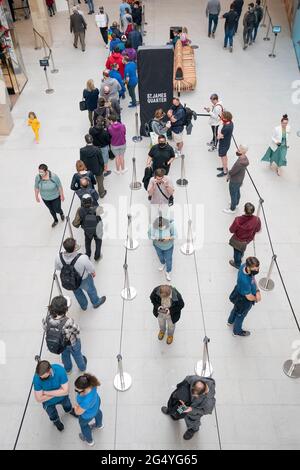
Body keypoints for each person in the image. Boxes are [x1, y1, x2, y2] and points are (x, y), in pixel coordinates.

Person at [55, 237, 106, 310]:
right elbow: (91, 268)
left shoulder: (58, 257)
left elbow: (58, 268)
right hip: (84, 279)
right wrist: (93, 273)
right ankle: (96, 302)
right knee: (91, 290)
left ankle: (83, 306)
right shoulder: (83, 258)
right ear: (74, 247)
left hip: (71, 280)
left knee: (77, 293)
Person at [161, 376, 216, 440]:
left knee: (192, 421)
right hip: (185, 403)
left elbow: (206, 412)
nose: (193, 395)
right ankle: (174, 415)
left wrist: (191, 409)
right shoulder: (194, 379)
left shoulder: (209, 402)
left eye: (195, 395)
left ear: (203, 393)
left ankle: (192, 429)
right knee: (176, 409)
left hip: (193, 412)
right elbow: (187, 379)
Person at [43, 296, 87, 374]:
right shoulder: (68, 321)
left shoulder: (46, 318)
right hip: (72, 343)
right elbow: (77, 330)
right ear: (65, 309)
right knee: (77, 355)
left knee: (65, 355)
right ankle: (82, 367)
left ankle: (67, 368)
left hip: (60, 345)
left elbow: (45, 328)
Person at [33, 360, 76, 431]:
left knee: (67, 405)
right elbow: (39, 399)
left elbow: (66, 392)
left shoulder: (60, 370)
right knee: (52, 414)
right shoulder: (37, 378)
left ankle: (69, 410)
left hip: (62, 398)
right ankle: (56, 421)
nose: (41, 379)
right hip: (48, 403)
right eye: (40, 377)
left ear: (49, 371)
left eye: (43, 377)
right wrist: (59, 391)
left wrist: (46, 392)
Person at [228, 256, 261, 336]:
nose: (257, 270)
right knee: (240, 315)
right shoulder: (245, 281)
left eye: (258, 268)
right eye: (256, 269)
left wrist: (257, 290)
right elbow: (249, 296)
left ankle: (230, 321)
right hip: (244, 300)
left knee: (235, 309)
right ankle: (237, 331)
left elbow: (252, 278)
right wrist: (256, 298)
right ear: (249, 268)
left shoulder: (244, 266)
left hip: (238, 293)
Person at [229, 202, 261, 269]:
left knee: (237, 253)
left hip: (238, 240)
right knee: (242, 248)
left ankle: (237, 264)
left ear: (244, 210)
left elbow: (231, 230)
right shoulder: (257, 220)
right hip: (248, 239)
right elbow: (258, 229)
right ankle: (242, 253)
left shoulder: (238, 220)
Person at [74, 373, 103, 446]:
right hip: (96, 403)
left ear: (85, 389)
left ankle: (89, 441)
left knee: (83, 425)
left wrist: (75, 407)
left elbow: (78, 413)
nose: (77, 391)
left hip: (88, 414)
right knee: (98, 412)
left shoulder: (86, 401)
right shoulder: (92, 383)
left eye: (78, 391)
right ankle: (99, 425)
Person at [73, 194, 103, 261]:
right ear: (91, 200)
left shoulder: (80, 210)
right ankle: (97, 256)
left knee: (87, 242)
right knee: (98, 242)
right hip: (97, 229)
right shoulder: (96, 208)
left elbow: (75, 223)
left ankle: (88, 254)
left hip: (87, 230)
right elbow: (101, 213)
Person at [34, 164, 65, 228]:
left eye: (42, 172)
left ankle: (61, 213)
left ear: (46, 171)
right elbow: (36, 187)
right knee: (51, 210)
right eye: (39, 172)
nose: (40, 173)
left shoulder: (54, 176)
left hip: (55, 197)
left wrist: (62, 195)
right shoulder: (38, 177)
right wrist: (36, 196)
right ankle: (55, 220)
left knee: (57, 209)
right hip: (45, 198)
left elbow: (59, 186)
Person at [223, 144, 249, 214]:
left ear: (243, 152)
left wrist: (228, 174)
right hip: (240, 179)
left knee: (233, 194)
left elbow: (232, 172)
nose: (237, 151)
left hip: (235, 180)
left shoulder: (239, 163)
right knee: (237, 192)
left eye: (239, 150)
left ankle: (232, 209)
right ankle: (236, 203)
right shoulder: (244, 158)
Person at [148, 216, 176, 282]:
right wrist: (155, 238)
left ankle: (168, 271)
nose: (161, 228)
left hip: (168, 246)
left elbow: (175, 235)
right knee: (160, 256)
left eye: (162, 227)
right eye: (159, 227)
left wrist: (168, 238)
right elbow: (149, 235)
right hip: (157, 246)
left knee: (169, 260)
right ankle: (163, 263)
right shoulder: (153, 227)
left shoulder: (171, 225)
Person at [216, 111, 234, 177]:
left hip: (223, 144)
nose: (221, 117)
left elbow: (219, 137)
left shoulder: (226, 127)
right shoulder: (231, 123)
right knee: (224, 156)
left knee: (223, 157)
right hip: (226, 143)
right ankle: (224, 167)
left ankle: (225, 171)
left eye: (222, 116)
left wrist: (218, 135)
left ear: (226, 118)